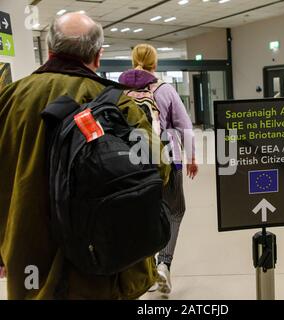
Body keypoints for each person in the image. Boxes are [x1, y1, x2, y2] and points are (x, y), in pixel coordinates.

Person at [0, 13, 169, 300]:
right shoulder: (116, 103)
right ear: (98, 55)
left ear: (50, 48)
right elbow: (159, 170)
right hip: (99, 265)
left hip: (27, 260)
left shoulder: (8, 99)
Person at [119, 44, 199, 295]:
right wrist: (191, 156)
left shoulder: (119, 91)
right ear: (156, 64)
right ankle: (164, 264)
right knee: (175, 211)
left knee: (142, 216)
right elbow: (184, 125)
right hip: (166, 159)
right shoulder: (165, 90)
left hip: (130, 165)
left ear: (134, 61)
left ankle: (147, 269)